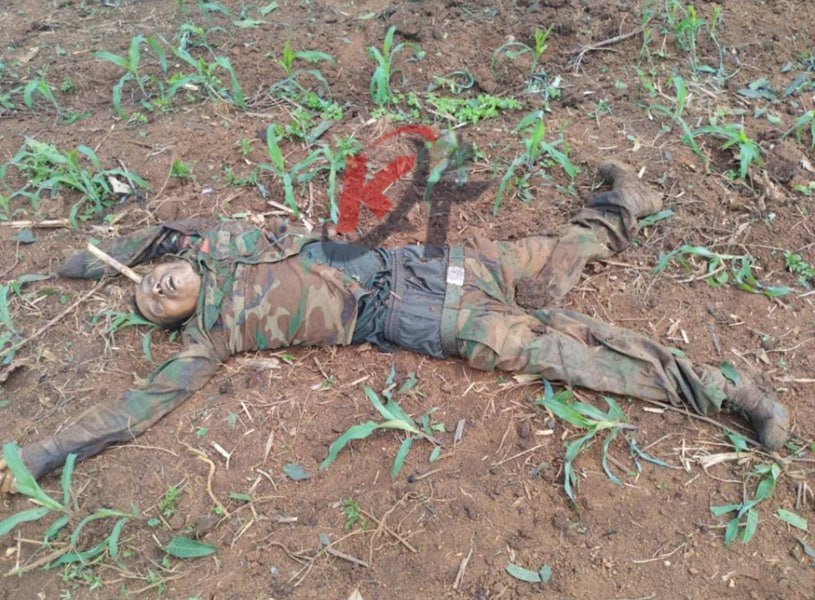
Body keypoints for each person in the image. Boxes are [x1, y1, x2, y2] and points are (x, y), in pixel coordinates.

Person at [0, 162, 790, 494]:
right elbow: (130, 413)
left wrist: (87, 266)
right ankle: (726, 392)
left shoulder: (217, 243)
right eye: (150, 304)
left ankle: (619, 204)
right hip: (433, 319)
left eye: (151, 278)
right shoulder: (213, 335)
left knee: (550, 266)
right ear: (172, 323)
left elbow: (153, 239)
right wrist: (35, 457)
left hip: (438, 263)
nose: (155, 290)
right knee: (574, 353)